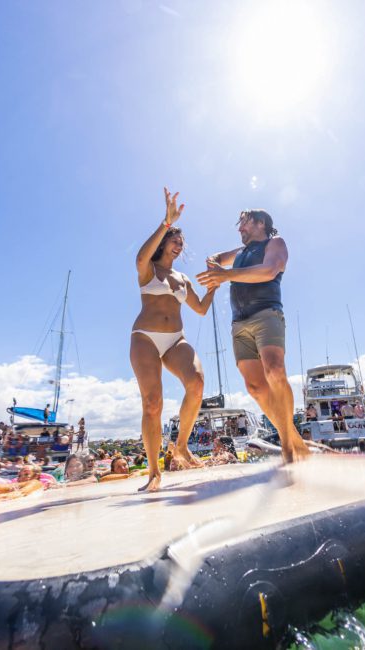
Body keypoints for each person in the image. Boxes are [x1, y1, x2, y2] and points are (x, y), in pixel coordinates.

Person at [197, 209, 309, 463]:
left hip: (266, 314)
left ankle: (288, 447)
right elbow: (214, 258)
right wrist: (214, 263)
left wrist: (225, 275)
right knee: (255, 386)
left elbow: (270, 270)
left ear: (261, 223)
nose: (240, 229)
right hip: (239, 323)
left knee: (274, 372)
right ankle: (292, 438)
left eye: (244, 223)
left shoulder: (274, 243)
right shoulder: (239, 254)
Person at [130, 187, 217, 491]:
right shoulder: (147, 269)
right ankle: (154, 472)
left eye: (182, 241)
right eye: (175, 240)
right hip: (146, 339)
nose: (179, 245)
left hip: (175, 340)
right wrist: (166, 222)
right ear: (164, 241)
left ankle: (180, 446)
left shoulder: (182, 279)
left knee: (197, 383)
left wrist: (216, 284)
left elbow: (202, 310)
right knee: (153, 403)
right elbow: (140, 254)